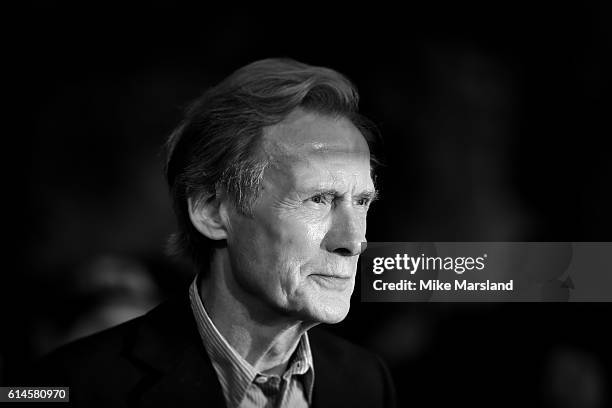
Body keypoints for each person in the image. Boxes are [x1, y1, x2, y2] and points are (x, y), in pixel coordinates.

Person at [30, 58, 396, 408]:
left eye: (363, 202)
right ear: (211, 211)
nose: (353, 241)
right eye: (319, 199)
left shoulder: (365, 381)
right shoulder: (69, 385)